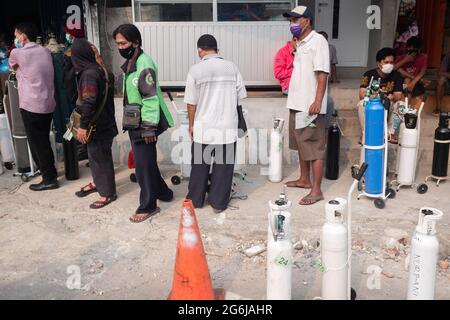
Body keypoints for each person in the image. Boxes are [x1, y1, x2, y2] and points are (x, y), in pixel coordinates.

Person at [113, 24, 174, 223]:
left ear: (135, 42)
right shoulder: (133, 61)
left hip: (145, 122)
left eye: (123, 43)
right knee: (145, 163)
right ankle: (164, 193)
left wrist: (148, 127)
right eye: (117, 44)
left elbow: (150, 98)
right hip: (135, 120)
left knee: (142, 167)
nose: (120, 47)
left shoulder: (144, 62)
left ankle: (148, 205)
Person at [184, 34, 247, 214]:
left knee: (199, 167)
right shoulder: (232, 67)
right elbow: (240, 96)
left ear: (200, 50)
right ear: (217, 50)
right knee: (223, 168)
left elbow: (191, 102)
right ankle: (218, 203)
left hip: (203, 127)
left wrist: (191, 125)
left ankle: (195, 201)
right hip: (227, 127)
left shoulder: (195, 70)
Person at [283, 6, 329, 206]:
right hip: (296, 103)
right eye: (290, 20)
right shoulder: (300, 43)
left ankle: (316, 190)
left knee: (314, 147)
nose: (292, 23)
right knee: (301, 144)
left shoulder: (318, 41)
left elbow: (322, 74)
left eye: (295, 19)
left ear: (307, 21)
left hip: (310, 107)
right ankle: (304, 179)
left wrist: (317, 101)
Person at [9, 22, 58, 191]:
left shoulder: (17, 53)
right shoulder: (45, 51)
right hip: (48, 103)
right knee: (44, 139)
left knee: (38, 143)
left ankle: (49, 178)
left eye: (16, 35)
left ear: (23, 36)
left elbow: (12, 66)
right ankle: (50, 171)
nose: (15, 39)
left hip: (31, 105)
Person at [71, 38, 118, 209]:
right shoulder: (102, 71)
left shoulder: (89, 74)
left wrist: (83, 126)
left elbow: (89, 102)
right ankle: (99, 182)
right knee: (97, 156)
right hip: (106, 123)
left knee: (100, 158)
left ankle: (107, 193)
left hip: (96, 126)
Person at [358, 48, 404, 144]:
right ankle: (366, 134)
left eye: (391, 62)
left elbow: (398, 95)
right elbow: (362, 94)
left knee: (401, 105)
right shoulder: (369, 74)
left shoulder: (397, 75)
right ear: (378, 63)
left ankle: (390, 133)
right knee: (362, 104)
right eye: (386, 62)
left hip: (389, 104)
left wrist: (392, 97)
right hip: (373, 104)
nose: (389, 65)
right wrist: (374, 97)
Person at [434, 51, 450, 116]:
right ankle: (438, 107)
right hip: (448, 78)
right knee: (441, 81)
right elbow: (439, 72)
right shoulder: (448, 56)